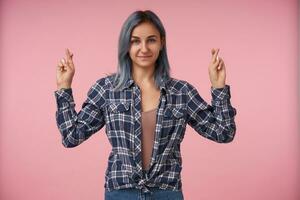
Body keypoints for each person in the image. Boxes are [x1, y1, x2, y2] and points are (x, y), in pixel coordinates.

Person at [54, 10, 237, 200]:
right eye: (135, 41)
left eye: (151, 40)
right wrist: (64, 87)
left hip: (166, 192)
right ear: (126, 45)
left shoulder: (181, 92)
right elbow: (71, 136)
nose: (144, 48)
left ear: (161, 42)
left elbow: (223, 133)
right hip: (121, 192)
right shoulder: (107, 89)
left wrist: (218, 86)